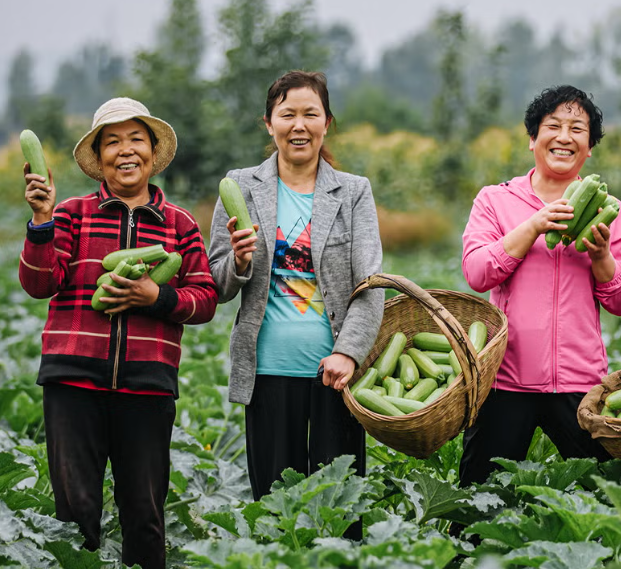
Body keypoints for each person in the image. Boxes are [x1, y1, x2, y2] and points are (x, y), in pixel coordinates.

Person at [18, 97, 218, 569]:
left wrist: (158, 298)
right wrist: (42, 221)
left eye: (136, 140)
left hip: (147, 387)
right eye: (112, 142)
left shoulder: (180, 225)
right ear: (98, 157)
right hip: (72, 382)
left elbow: (205, 298)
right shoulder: (70, 214)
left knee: (145, 514)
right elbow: (38, 283)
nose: (125, 151)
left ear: (151, 151)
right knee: (74, 513)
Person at [207, 71, 384, 517]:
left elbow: (371, 284)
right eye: (287, 114)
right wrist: (240, 262)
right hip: (266, 371)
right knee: (274, 513)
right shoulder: (241, 186)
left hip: (335, 376)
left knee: (339, 514)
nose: (299, 125)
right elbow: (216, 281)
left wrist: (349, 353)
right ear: (269, 123)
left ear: (327, 122)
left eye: (311, 113)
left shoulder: (353, 192)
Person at [458, 85, 621, 486]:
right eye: (552, 125)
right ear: (532, 139)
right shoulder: (495, 200)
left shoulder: (610, 211)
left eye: (578, 128)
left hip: (581, 383)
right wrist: (533, 226)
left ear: (589, 147)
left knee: (605, 497)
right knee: (476, 502)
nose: (564, 136)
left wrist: (601, 257)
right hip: (505, 378)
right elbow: (477, 272)